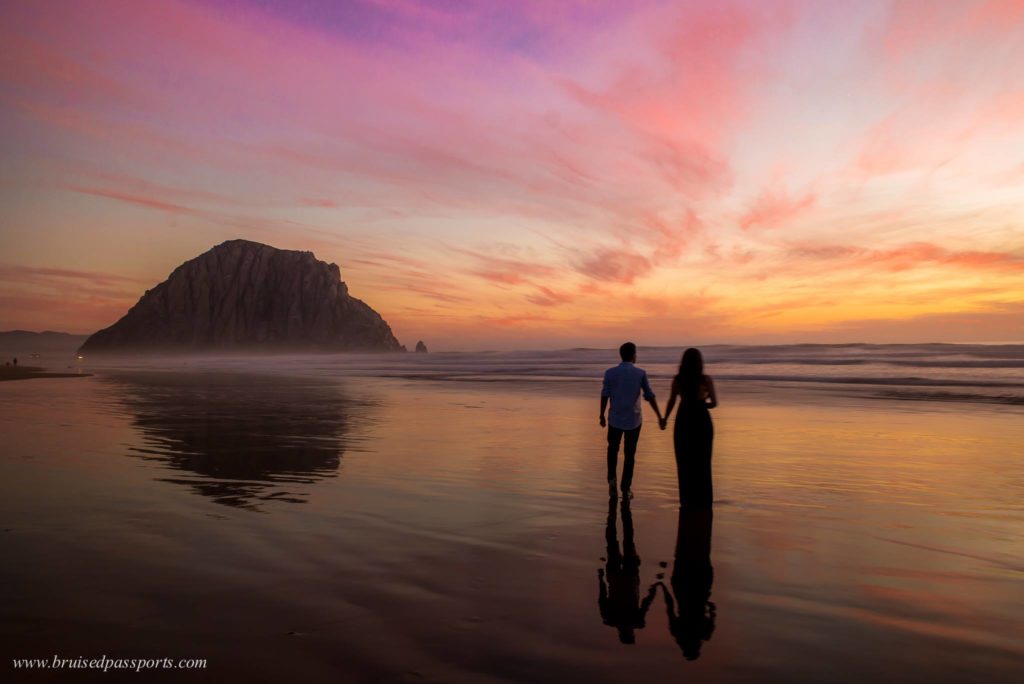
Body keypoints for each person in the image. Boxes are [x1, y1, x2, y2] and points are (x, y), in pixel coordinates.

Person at [600, 342, 664, 499]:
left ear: (621, 355)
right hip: (633, 420)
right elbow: (649, 396)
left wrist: (601, 415)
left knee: (612, 450)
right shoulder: (640, 373)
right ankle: (626, 488)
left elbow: (605, 394)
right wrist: (659, 416)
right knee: (630, 454)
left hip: (615, 418)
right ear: (633, 355)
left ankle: (612, 481)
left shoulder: (610, 373)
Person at [661, 348, 717, 509]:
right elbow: (714, 403)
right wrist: (702, 400)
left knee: (684, 462)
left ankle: (687, 500)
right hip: (702, 420)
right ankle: (704, 501)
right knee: (703, 463)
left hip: (683, 419)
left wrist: (664, 418)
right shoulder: (705, 380)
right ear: (700, 363)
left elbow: (672, 400)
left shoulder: (678, 380)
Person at [597, 496, 657, 644]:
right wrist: (600, 578)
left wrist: (654, 589)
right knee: (613, 544)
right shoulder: (611, 619)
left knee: (628, 539)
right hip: (616, 577)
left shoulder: (636, 621)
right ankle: (614, 515)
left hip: (629, 577)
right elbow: (602, 599)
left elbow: (646, 602)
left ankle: (624, 509)